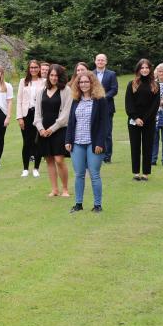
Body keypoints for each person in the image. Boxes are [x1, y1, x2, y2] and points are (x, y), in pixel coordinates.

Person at [65, 70, 110, 213]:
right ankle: (78, 204)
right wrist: (68, 140)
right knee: (79, 174)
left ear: (92, 83)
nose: (84, 84)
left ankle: (97, 205)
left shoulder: (100, 100)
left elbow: (104, 124)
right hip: (77, 142)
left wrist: (100, 143)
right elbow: (71, 122)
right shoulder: (75, 100)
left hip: (94, 143)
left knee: (94, 174)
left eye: (86, 82)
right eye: (81, 82)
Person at [34, 65, 71, 197]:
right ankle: (54, 189)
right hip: (43, 130)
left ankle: (65, 189)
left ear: (60, 77)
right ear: (48, 76)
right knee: (49, 160)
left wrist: (52, 129)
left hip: (59, 129)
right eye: (51, 75)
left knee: (59, 159)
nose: (54, 78)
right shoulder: (41, 91)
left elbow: (66, 115)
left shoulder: (66, 90)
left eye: (56, 76)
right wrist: (41, 128)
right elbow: (37, 114)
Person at [124, 59, 159, 181]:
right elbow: (129, 103)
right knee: (135, 146)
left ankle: (145, 173)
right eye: (142, 68)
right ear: (138, 69)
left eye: (146, 68)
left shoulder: (155, 85)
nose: (144, 70)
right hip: (134, 121)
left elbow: (155, 105)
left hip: (149, 121)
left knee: (147, 146)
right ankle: (136, 173)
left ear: (150, 69)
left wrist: (145, 119)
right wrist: (135, 118)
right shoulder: (132, 84)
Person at [16, 60, 43, 177]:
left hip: (39, 115)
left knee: (38, 142)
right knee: (26, 142)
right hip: (26, 114)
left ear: (39, 68)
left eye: (35, 67)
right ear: (28, 69)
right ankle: (25, 168)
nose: (33, 70)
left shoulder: (44, 82)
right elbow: (19, 100)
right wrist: (19, 117)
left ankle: (36, 168)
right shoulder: (23, 81)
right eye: (31, 67)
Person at [94, 53, 119, 163]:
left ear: (106, 62)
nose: (100, 62)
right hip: (93, 107)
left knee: (107, 132)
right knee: (94, 130)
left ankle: (107, 156)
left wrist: (103, 97)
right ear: (95, 61)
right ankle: (96, 153)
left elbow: (114, 89)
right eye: (98, 60)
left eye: (102, 60)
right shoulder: (90, 74)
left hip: (107, 107)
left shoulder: (111, 74)